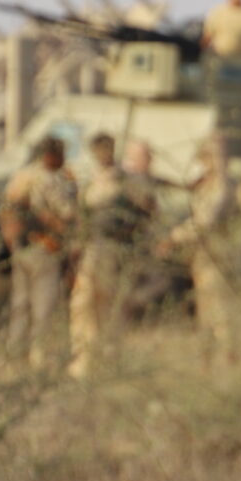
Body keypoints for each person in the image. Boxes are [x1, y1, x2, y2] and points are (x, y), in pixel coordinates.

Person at [67, 133, 158, 379]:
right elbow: (83, 217)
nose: (102, 154)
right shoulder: (91, 180)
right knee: (82, 303)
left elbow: (148, 209)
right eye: (98, 149)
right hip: (92, 249)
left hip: (115, 250)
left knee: (109, 305)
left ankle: (109, 358)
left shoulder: (125, 180)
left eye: (106, 149)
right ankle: (84, 357)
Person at [160, 138, 241, 363]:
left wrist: (173, 238)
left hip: (219, 252)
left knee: (221, 307)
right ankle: (207, 356)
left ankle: (227, 356)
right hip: (203, 253)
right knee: (205, 306)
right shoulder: (208, 183)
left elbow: (206, 220)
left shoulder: (224, 185)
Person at [0, 137, 78, 368]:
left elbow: (6, 209)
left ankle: (14, 353)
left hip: (22, 248)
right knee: (43, 305)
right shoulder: (55, 179)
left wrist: (11, 241)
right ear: (54, 155)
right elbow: (66, 214)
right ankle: (38, 356)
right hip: (45, 247)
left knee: (20, 304)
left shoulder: (23, 176)